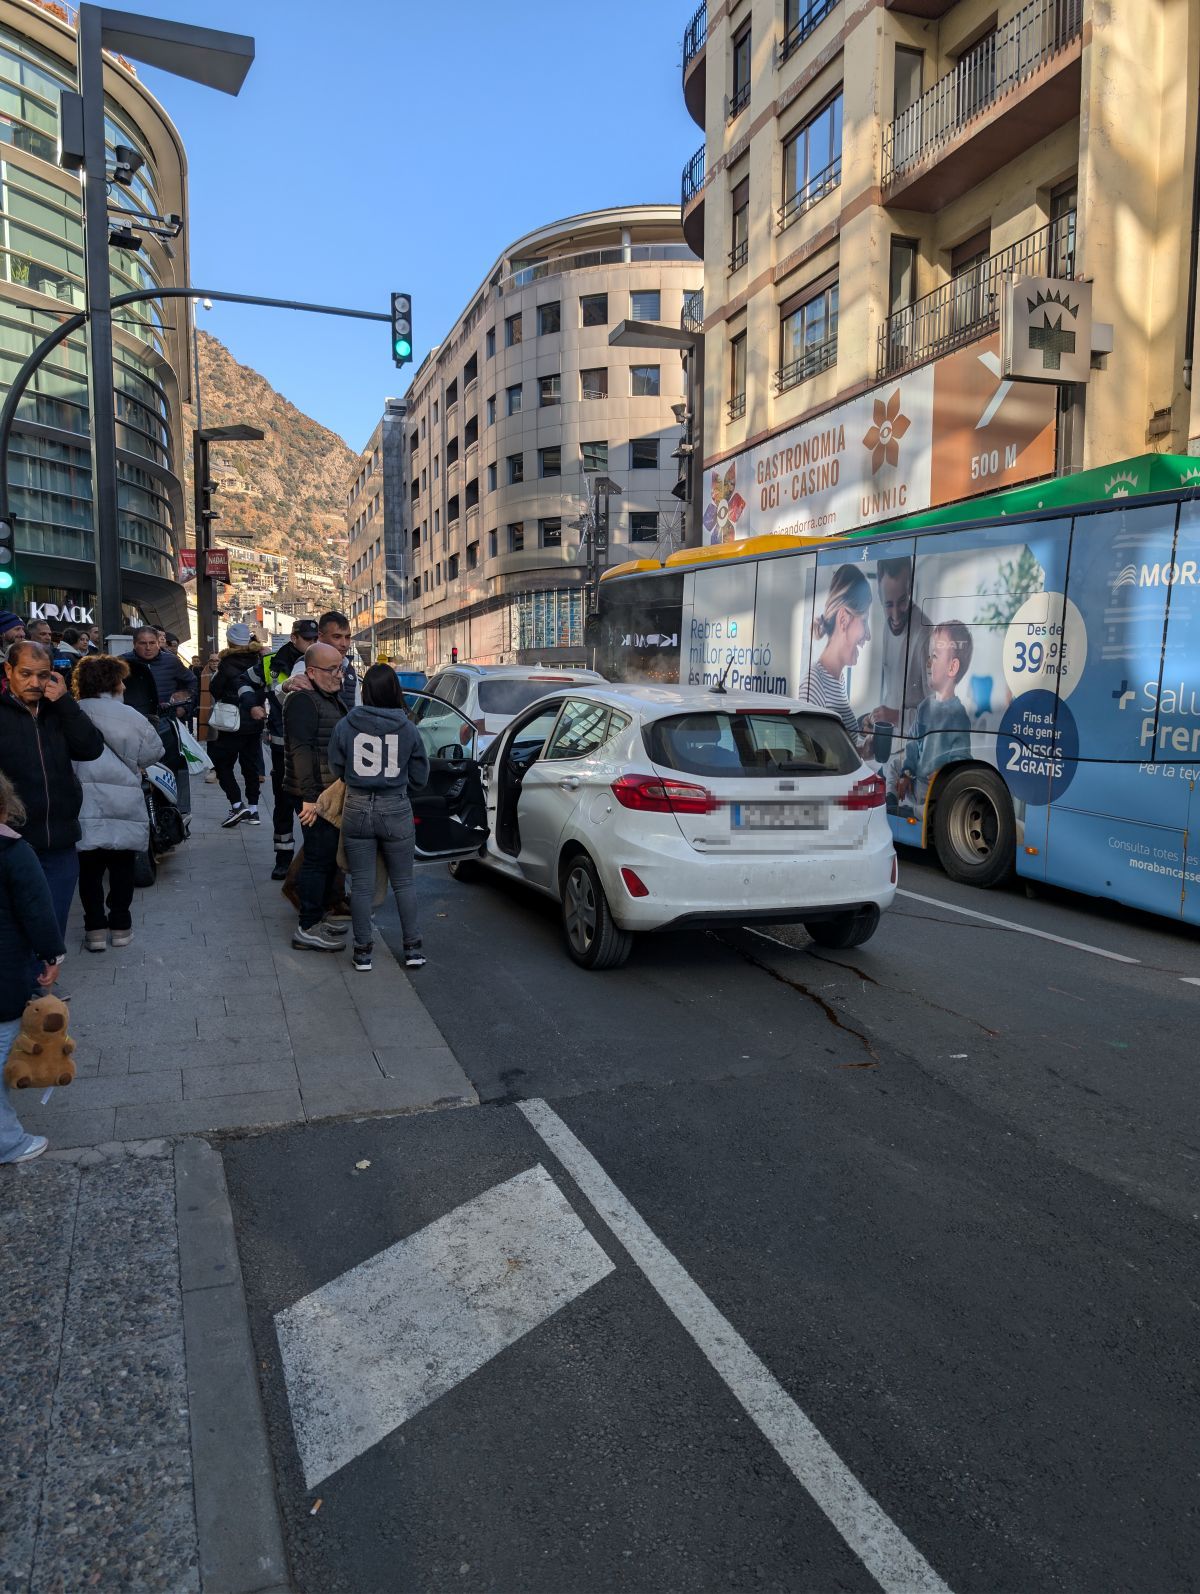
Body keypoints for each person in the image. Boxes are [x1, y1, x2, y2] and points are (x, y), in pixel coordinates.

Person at [328, 663, 430, 972]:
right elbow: (420, 775)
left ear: (365, 691)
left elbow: (336, 767)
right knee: (403, 882)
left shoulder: (346, 725)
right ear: (396, 692)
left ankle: (362, 953)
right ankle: (412, 949)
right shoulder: (408, 728)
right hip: (395, 807)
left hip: (357, 808)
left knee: (360, 885)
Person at [0, 641, 103, 937]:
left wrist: (66, 703)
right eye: (26, 673)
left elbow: (90, 748)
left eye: (42, 675)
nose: (35, 682)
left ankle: (45, 980)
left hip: (59, 839)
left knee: (53, 923)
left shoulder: (58, 709)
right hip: (13, 840)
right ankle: (27, 982)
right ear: (9, 670)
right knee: (17, 925)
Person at [72, 653, 164, 952]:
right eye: (121, 680)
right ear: (113, 682)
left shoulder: (70, 713)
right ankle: (121, 926)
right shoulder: (131, 716)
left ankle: (95, 930)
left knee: (89, 868)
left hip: (83, 802)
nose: (125, 686)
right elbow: (153, 753)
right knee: (122, 867)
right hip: (124, 800)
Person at [0, 771, 65, 1165]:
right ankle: (7, 1141)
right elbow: (38, 910)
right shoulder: (12, 852)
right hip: (4, 977)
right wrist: (51, 955)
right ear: (6, 807)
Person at [284, 642, 349, 951]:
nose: (340, 674)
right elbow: (301, 749)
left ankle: (318, 917)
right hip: (316, 796)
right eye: (332, 669)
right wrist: (310, 798)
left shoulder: (326, 696)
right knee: (317, 860)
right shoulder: (303, 701)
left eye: (341, 667)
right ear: (311, 672)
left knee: (325, 860)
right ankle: (307, 926)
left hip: (327, 792)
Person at [895, 621, 974, 810]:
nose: (928, 662)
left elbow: (961, 758)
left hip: (936, 791)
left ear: (952, 668)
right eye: (929, 656)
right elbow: (913, 744)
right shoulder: (924, 707)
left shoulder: (958, 716)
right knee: (892, 768)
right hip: (916, 784)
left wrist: (944, 774)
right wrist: (906, 773)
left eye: (935, 657)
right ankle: (896, 803)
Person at [262, 617, 318, 879]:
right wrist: (250, 703)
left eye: (315, 639)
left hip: (312, 746)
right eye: (307, 639)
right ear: (294, 638)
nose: (312, 644)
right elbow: (244, 682)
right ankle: (283, 859)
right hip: (281, 744)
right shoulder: (272, 662)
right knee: (284, 805)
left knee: (311, 808)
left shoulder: (322, 662)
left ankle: (311, 862)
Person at [800, 564, 874, 750]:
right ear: (843, 620)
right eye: (864, 621)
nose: (868, 634)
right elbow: (807, 757)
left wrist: (863, 750)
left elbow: (833, 754)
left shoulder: (837, 679)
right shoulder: (814, 685)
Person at [125, 626, 195, 821]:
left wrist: (183, 704)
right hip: (133, 725)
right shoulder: (122, 662)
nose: (148, 648)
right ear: (134, 644)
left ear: (158, 643)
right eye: (143, 644)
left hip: (165, 722)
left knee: (171, 766)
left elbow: (191, 683)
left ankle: (175, 813)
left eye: (152, 643)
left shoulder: (171, 662)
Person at [208, 622, 268, 827]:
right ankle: (253, 809)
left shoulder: (227, 663)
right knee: (250, 766)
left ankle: (236, 804)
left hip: (231, 722)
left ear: (230, 641)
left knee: (222, 763)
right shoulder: (259, 660)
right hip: (255, 720)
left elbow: (215, 689)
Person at [872, 558, 930, 747]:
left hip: (915, 752)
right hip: (891, 748)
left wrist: (897, 717)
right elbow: (892, 694)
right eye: (889, 605)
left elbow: (937, 716)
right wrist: (877, 720)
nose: (896, 615)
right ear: (880, 599)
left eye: (902, 601)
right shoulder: (886, 628)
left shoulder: (926, 634)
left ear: (910, 590)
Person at [286, 610, 357, 710]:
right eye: (337, 637)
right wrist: (285, 686)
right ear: (320, 636)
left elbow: (357, 707)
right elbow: (292, 699)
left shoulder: (350, 669)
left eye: (347, 637)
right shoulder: (305, 664)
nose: (344, 643)